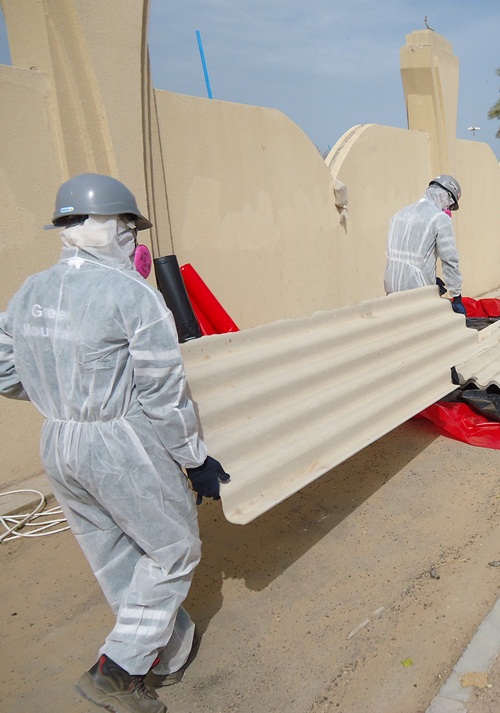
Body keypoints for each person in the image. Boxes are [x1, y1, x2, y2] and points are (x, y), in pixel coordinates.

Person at [0, 173, 230, 713]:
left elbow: (5, 370)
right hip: (120, 445)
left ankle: (164, 657)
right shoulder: (133, 295)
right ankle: (117, 673)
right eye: (130, 231)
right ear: (114, 228)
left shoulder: (31, 290)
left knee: (115, 553)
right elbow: (163, 395)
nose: (134, 244)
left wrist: (63, 396)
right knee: (173, 551)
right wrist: (194, 459)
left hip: (59, 440)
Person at [384, 174, 467, 315]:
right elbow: (449, 260)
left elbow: (407, 255)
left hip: (391, 287)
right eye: (450, 204)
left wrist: (431, 279)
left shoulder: (398, 215)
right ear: (446, 196)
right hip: (418, 292)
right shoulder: (440, 219)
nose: (448, 208)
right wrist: (457, 296)